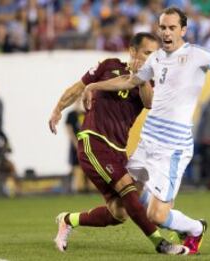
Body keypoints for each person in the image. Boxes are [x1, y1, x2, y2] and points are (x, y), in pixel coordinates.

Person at [83, 7, 210, 254]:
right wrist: (94, 86)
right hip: (148, 141)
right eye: (163, 27)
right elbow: (130, 80)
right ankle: (72, 221)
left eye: (172, 28)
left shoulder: (197, 56)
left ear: (183, 30)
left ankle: (195, 228)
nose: (166, 32)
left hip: (173, 147)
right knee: (128, 200)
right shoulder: (156, 58)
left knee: (156, 215)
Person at [49, 32, 189, 255]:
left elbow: (148, 102)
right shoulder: (108, 65)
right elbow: (79, 86)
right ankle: (160, 244)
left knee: (119, 212)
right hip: (94, 141)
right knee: (128, 189)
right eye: (146, 52)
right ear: (133, 51)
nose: (150, 57)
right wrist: (58, 108)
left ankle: (68, 220)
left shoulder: (151, 80)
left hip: (119, 149)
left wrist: (137, 77)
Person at [65, 101, 94, 193]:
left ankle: (90, 187)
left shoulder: (87, 113)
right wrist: (76, 143)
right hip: (76, 146)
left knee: (90, 166)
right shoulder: (71, 115)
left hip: (88, 145)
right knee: (77, 167)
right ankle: (79, 187)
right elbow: (69, 130)